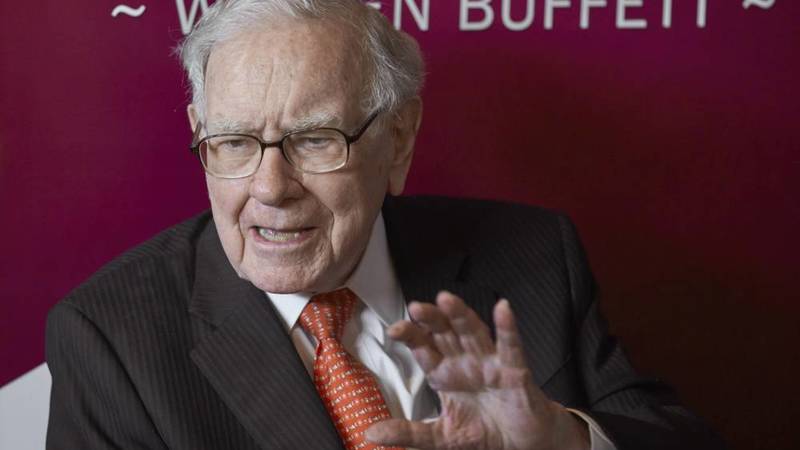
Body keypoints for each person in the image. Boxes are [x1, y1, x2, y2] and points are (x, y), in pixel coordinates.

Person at [45, 1, 726, 449]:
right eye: (234, 143)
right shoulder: (112, 338)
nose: (270, 188)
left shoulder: (536, 257)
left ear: (398, 140)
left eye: (316, 140)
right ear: (201, 132)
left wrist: (560, 440)